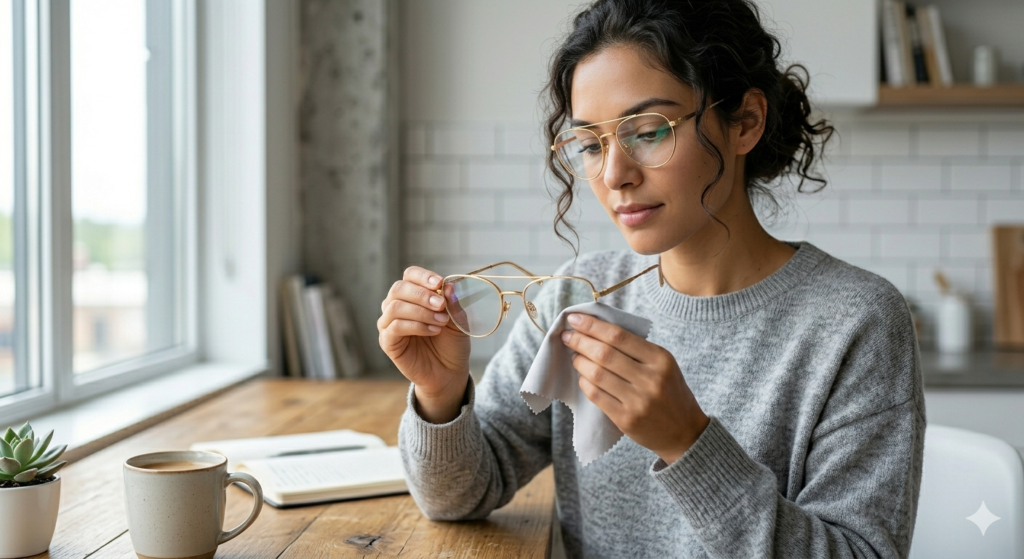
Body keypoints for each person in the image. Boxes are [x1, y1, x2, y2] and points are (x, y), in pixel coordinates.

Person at [377, 0, 925, 557]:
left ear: (746, 122)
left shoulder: (856, 322)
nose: (614, 174)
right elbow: (460, 494)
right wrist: (440, 395)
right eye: (591, 144)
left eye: (648, 131)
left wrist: (689, 443)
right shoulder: (577, 295)